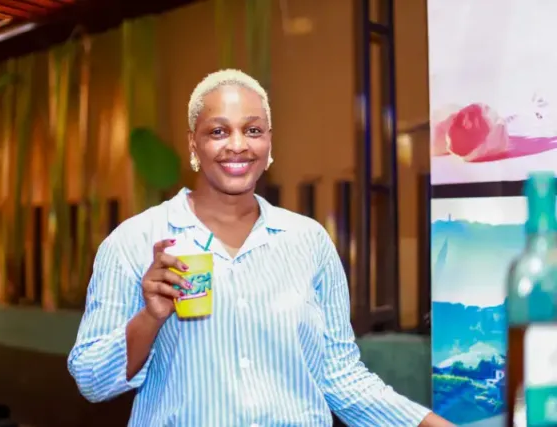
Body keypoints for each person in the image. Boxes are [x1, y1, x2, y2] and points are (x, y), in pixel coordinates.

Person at [68, 69, 452, 427]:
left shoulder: (309, 241)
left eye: (252, 130)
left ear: (269, 143)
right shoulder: (134, 242)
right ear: (193, 143)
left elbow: (341, 376)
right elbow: (92, 381)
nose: (238, 145)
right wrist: (150, 317)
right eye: (218, 131)